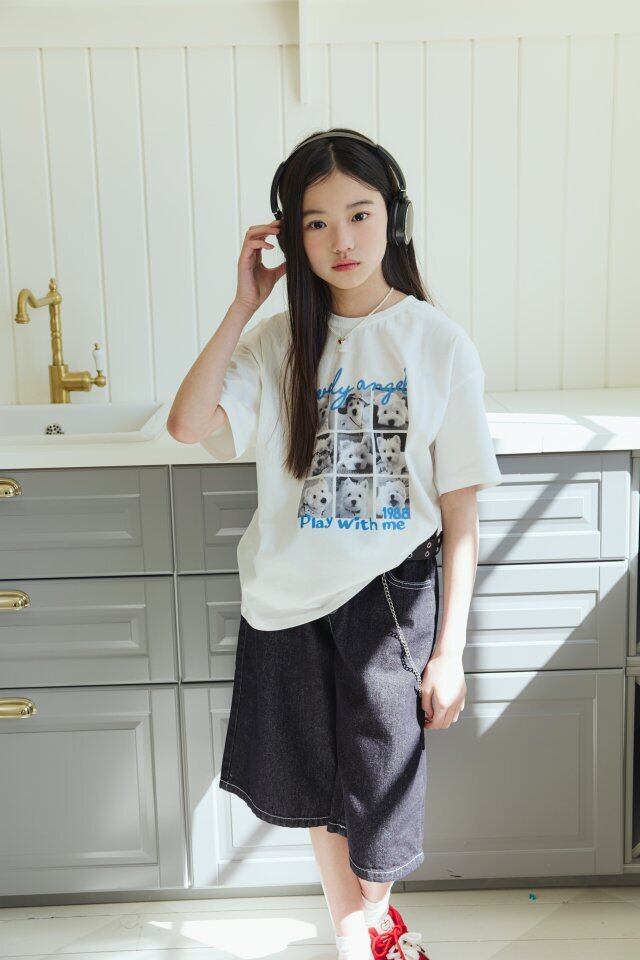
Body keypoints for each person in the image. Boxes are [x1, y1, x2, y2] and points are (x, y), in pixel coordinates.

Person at [168, 128, 503, 960]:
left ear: (394, 219)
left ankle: (370, 921)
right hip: (286, 597)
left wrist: (451, 650)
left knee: (380, 797)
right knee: (320, 788)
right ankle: (360, 941)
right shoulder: (276, 344)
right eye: (314, 223)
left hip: (391, 594)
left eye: (359, 214)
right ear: (290, 237)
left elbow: (461, 513)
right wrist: (244, 306)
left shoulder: (438, 343)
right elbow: (188, 423)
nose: (340, 239)